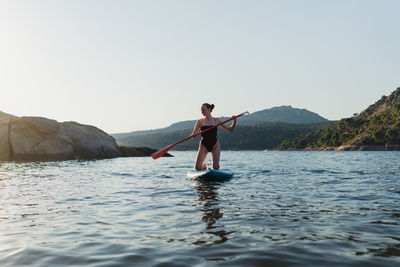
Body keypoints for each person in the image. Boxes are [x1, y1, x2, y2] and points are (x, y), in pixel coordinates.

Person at [190, 103, 236, 170]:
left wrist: (234, 121)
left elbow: (230, 129)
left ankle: (216, 166)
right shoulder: (200, 121)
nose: (202, 112)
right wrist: (193, 135)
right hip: (204, 145)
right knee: (197, 168)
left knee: (215, 167)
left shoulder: (216, 120)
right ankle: (204, 166)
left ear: (209, 109)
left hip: (215, 145)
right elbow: (193, 134)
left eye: (204, 110)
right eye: (201, 110)